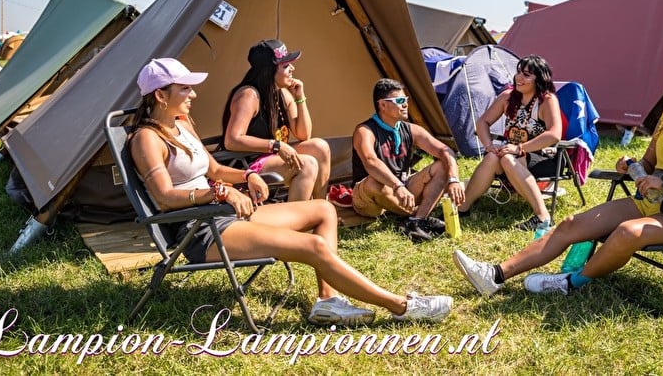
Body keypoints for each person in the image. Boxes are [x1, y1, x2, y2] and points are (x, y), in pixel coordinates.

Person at [129, 58, 453, 325]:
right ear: (159, 95)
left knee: (323, 209)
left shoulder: (182, 124)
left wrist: (245, 176)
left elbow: (213, 170)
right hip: (201, 230)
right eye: (184, 88)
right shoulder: (147, 139)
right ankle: (402, 306)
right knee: (312, 245)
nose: (193, 94)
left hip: (226, 215)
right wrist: (221, 194)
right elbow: (164, 198)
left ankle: (327, 301)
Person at [453, 53, 663, 297]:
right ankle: (494, 275)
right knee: (569, 224)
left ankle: (571, 282)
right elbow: (650, 162)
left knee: (627, 232)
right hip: (651, 201)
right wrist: (631, 164)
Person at [457, 54, 561, 237]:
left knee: (506, 157)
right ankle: (462, 209)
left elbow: (554, 134)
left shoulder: (546, 100)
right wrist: (489, 145)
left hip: (542, 156)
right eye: (518, 73)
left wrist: (520, 148)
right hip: (511, 155)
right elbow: (482, 123)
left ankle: (543, 217)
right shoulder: (507, 97)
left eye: (527, 74)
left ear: (540, 78)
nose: (519, 78)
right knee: (492, 157)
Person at [351, 78, 465, 243]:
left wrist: (453, 179)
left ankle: (416, 221)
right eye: (399, 100)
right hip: (370, 199)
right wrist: (397, 186)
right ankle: (415, 216)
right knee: (373, 183)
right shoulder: (365, 130)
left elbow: (444, 150)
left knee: (442, 165)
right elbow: (370, 161)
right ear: (382, 105)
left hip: (402, 190)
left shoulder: (411, 129)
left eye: (406, 100)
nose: (405, 104)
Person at [222, 39, 330, 202]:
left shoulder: (282, 93)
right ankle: (296, 223)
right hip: (246, 164)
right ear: (269, 70)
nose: (292, 69)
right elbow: (232, 140)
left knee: (320, 147)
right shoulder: (248, 95)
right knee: (307, 164)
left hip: (270, 156)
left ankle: (321, 207)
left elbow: (303, 134)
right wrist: (276, 146)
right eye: (285, 66)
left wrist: (300, 98)